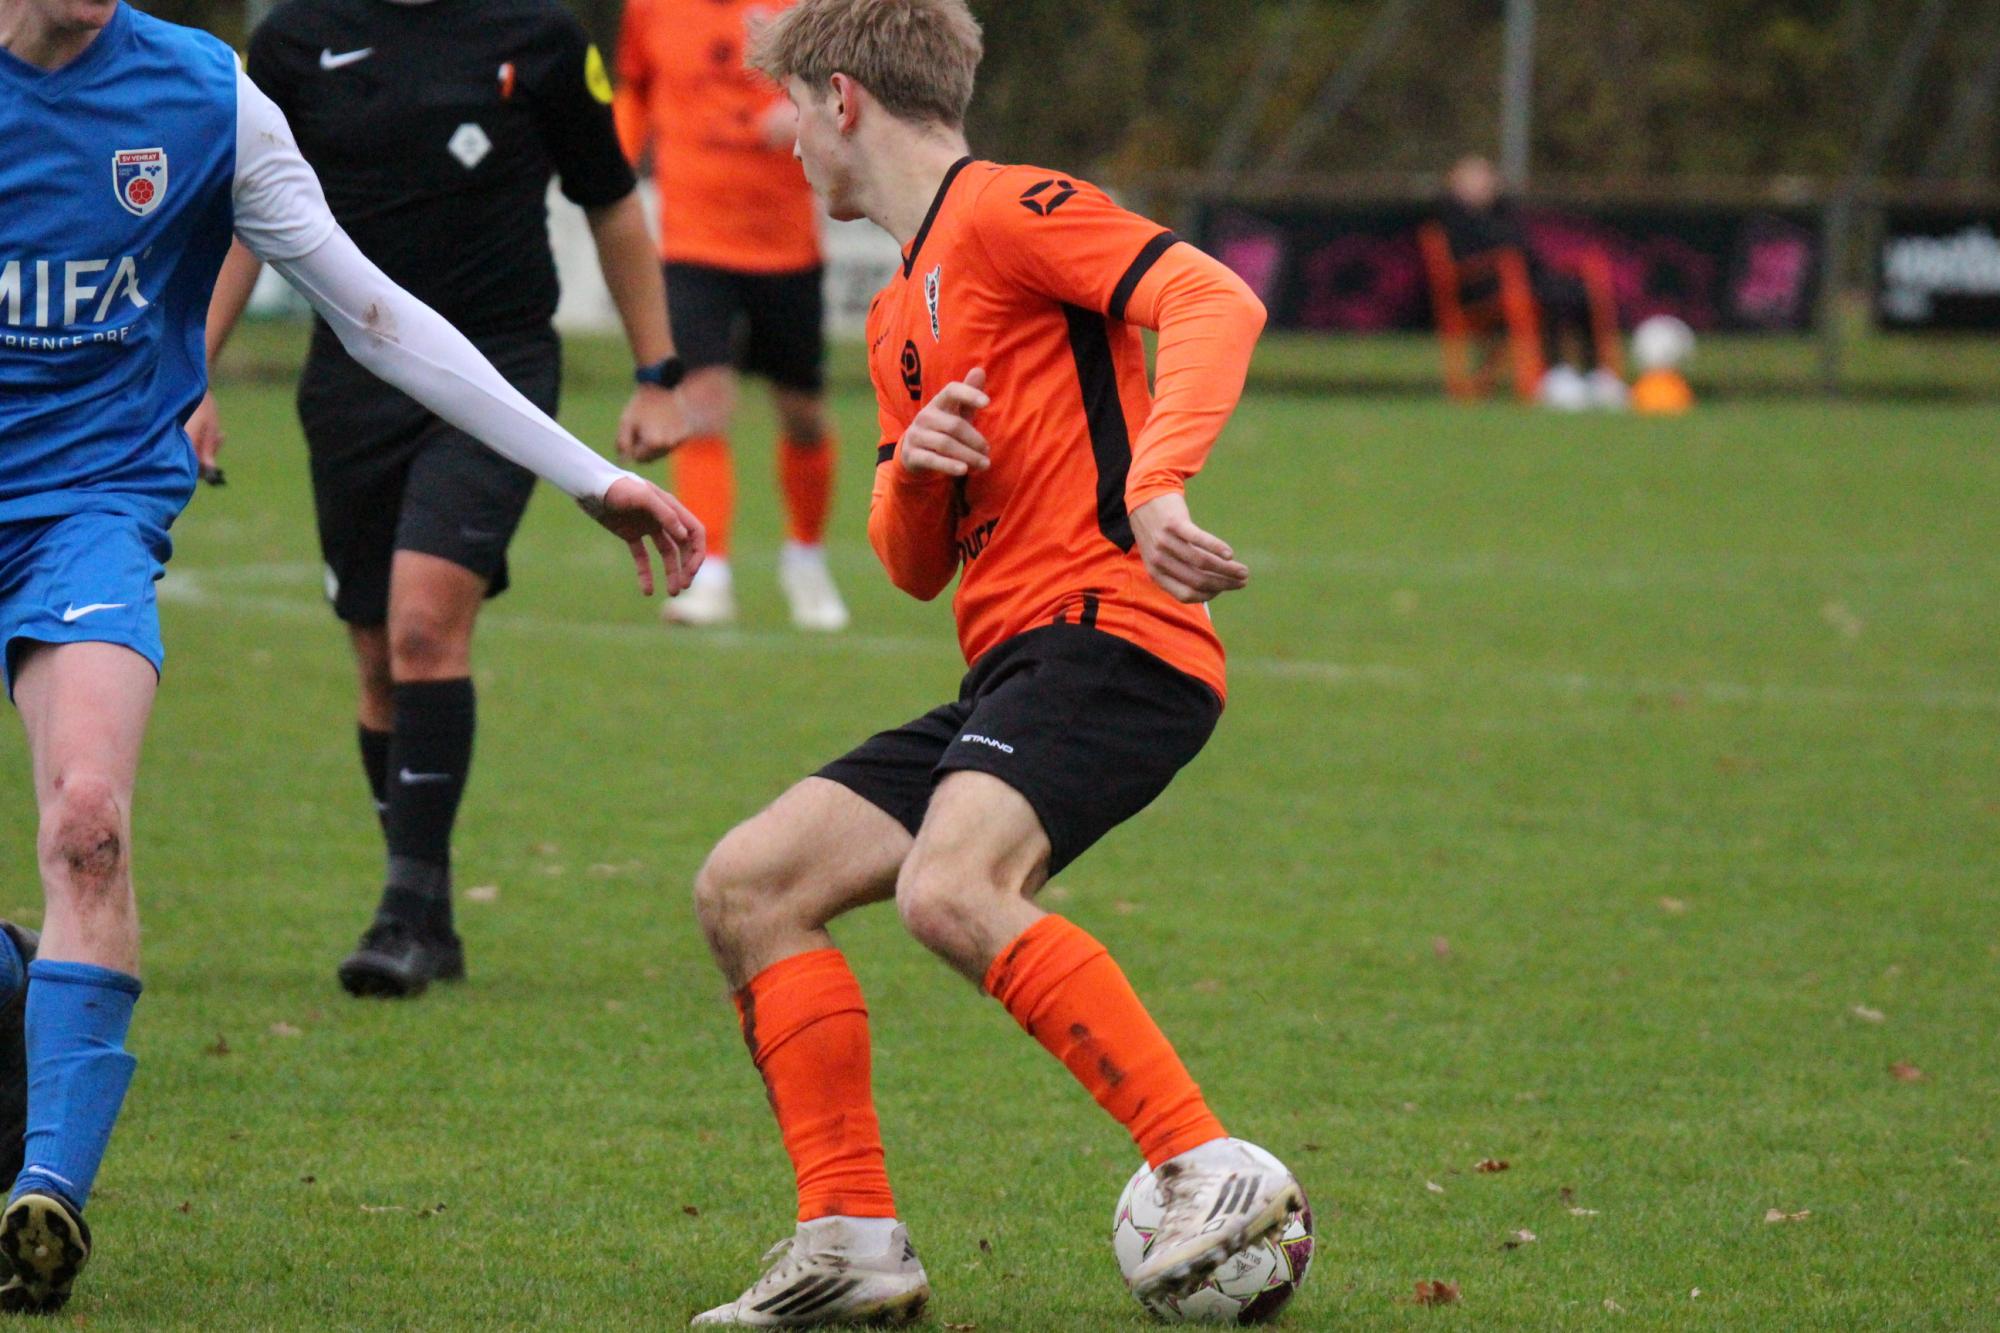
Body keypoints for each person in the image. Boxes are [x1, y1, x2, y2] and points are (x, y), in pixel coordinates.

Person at [0, 0, 701, 1310]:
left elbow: (378, 314)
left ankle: (46, 1199)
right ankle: (17, 991)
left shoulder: (205, 96)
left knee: (88, 822)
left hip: (87, 515)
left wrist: (587, 474)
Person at [686, 0, 1301, 1324]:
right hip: (1014, 666)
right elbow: (911, 565)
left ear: (842, 98)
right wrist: (915, 470)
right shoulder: (893, 309)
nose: (787, 144)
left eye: (793, 111)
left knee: (950, 888)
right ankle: (850, 1240)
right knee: (749, 886)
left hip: (1115, 634)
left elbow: (1212, 295)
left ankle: (1208, 1165)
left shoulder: (1012, 207)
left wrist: (1157, 479)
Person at [193, 0, 691, 999]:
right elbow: (245, 219)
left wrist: (656, 372)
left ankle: (401, 914)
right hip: (349, 383)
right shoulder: (293, 38)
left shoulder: (540, 36)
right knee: (379, 660)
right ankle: (429, 905)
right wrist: (191, 374)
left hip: (496, 380)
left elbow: (609, 201)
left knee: (424, 625)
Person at [613, 0, 850, 631]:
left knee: (803, 416)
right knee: (703, 403)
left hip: (786, 247)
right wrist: (609, 167)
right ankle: (709, 572)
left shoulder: (805, 8)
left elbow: (852, 94)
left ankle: (806, 558)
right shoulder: (651, 9)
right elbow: (634, 90)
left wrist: (806, 114)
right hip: (693, 241)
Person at [1438, 154, 1625, 409]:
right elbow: (1473, 261)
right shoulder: (1454, 218)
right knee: (1550, 295)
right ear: (1456, 183)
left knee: (1578, 291)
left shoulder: (1505, 213)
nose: (1483, 183)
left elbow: (1525, 250)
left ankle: (1597, 375)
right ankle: (1555, 375)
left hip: (1524, 281)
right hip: (1482, 291)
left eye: (1486, 177)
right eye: (1474, 178)